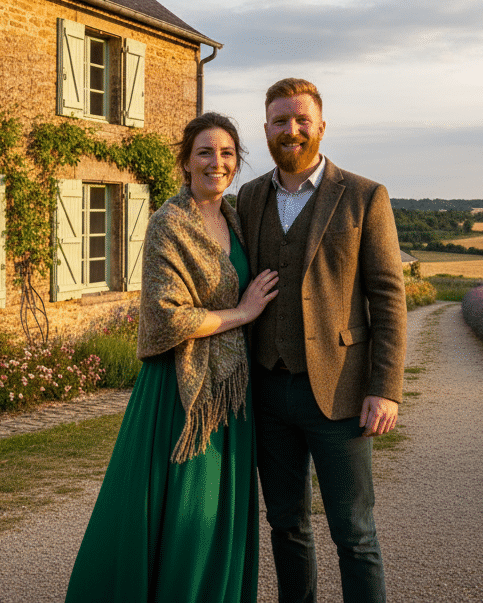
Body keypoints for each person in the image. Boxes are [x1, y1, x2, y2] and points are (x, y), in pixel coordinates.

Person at [65, 112, 279, 603]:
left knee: (218, 510)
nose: (216, 162)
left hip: (230, 388)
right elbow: (166, 318)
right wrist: (242, 314)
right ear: (185, 161)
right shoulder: (169, 223)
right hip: (179, 393)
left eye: (227, 153)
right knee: (186, 511)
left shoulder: (236, 219)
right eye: (204, 152)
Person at [236, 78, 407, 603]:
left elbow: (388, 297)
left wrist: (387, 389)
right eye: (280, 121)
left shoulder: (363, 195)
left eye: (301, 119)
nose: (291, 130)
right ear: (266, 129)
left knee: (353, 533)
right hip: (267, 390)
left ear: (321, 126)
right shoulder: (247, 197)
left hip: (340, 393)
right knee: (286, 526)